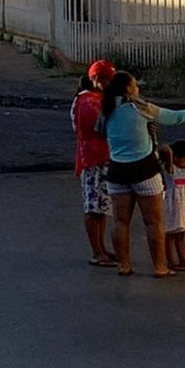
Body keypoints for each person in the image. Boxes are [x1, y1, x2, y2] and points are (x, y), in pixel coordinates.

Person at [100, 71, 185, 278]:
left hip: (117, 170)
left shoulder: (106, 110)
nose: (138, 88)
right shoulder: (141, 108)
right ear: (129, 89)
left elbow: (101, 131)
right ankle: (159, 266)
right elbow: (175, 117)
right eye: (135, 85)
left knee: (120, 221)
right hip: (144, 169)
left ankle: (124, 265)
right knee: (154, 221)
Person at [72, 59, 117, 267]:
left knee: (100, 208)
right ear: (98, 79)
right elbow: (100, 127)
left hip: (99, 158)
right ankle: (96, 251)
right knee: (94, 208)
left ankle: (101, 248)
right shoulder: (88, 101)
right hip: (92, 159)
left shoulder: (92, 98)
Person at [160, 140, 185, 270]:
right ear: (176, 158)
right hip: (173, 205)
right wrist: (170, 154)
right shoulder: (170, 168)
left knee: (180, 233)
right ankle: (171, 260)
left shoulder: (181, 169)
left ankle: (183, 258)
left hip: (182, 204)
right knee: (171, 233)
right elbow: (165, 148)